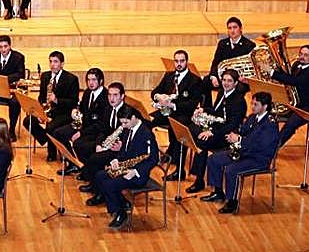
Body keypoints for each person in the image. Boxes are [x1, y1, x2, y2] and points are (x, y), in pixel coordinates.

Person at [201, 91, 279, 214]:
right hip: (244, 152)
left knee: (232, 170)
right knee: (213, 159)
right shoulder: (253, 117)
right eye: (252, 103)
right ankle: (218, 192)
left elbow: (260, 145)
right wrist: (235, 136)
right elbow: (243, 131)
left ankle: (232, 202)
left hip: (258, 158)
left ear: (265, 107)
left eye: (256, 104)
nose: (252, 107)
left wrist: (240, 140)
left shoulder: (270, 124)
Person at [88, 107, 158, 229]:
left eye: (125, 122)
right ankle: (121, 203)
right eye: (122, 123)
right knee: (99, 176)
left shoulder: (146, 134)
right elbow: (125, 152)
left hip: (138, 174)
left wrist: (135, 171)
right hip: (126, 167)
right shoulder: (128, 129)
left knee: (110, 184)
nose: (123, 126)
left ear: (134, 118)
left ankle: (120, 213)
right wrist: (117, 160)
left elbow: (152, 159)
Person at [186, 68, 248, 194]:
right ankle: (199, 177)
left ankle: (199, 180)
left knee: (202, 142)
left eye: (229, 81)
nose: (225, 83)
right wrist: (204, 110)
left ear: (236, 83)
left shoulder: (239, 101)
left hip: (228, 135)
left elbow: (232, 125)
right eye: (224, 80)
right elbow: (217, 111)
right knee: (191, 129)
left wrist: (212, 132)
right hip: (218, 128)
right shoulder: (222, 93)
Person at [149, 49, 201, 178]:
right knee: (145, 124)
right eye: (176, 61)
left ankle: (179, 170)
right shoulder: (169, 75)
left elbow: (191, 105)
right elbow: (154, 92)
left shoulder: (194, 81)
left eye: (182, 61)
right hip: (167, 112)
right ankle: (153, 155)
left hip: (183, 115)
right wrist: (159, 96)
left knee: (179, 132)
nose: (179, 64)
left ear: (187, 62)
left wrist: (172, 105)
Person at [50, 68, 110, 175]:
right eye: (88, 80)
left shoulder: (105, 97)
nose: (90, 83)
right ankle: (73, 163)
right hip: (83, 125)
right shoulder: (88, 92)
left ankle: (87, 170)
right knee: (58, 133)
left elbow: (100, 123)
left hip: (94, 131)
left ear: (101, 81)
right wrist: (76, 110)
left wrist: (80, 133)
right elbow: (82, 107)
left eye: (94, 80)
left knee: (79, 143)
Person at [26, 51, 80, 162]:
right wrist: (41, 111)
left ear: (62, 64)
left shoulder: (71, 79)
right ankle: (46, 138)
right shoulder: (45, 76)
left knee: (50, 127)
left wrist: (56, 100)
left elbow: (73, 102)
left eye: (55, 62)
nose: (52, 64)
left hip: (63, 113)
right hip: (48, 111)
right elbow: (41, 97)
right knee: (28, 121)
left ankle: (52, 154)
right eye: (50, 61)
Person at [76, 82, 131, 189]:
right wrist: (98, 145)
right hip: (108, 143)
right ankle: (90, 175)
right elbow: (103, 130)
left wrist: (120, 145)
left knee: (95, 158)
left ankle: (97, 188)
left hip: (120, 149)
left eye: (115, 95)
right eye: (109, 95)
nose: (112, 98)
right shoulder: (108, 109)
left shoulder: (128, 112)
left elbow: (131, 135)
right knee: (80, 146)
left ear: (122, 96)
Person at [269, 44, 309, 147]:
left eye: (306, 55)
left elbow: (294, 81)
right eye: (301, 54)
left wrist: (272, 72)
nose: (302, 57)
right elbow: (287, 77)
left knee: (291, 124)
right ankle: (268, 140)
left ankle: (273, 147)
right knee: (270, 113)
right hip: (296, 104)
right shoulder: (297, 64)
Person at [208, 17, 255, 91]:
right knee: (205, 82)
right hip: (224, 77)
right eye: (229, 28)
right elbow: (215, 62)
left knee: (239, 88)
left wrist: (244, 78)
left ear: (241, 28)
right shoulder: (222, 43)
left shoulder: (249, 45)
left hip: (239, 80)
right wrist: (213, 76)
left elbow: (252, 67)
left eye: (235, 27)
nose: (232, 31)